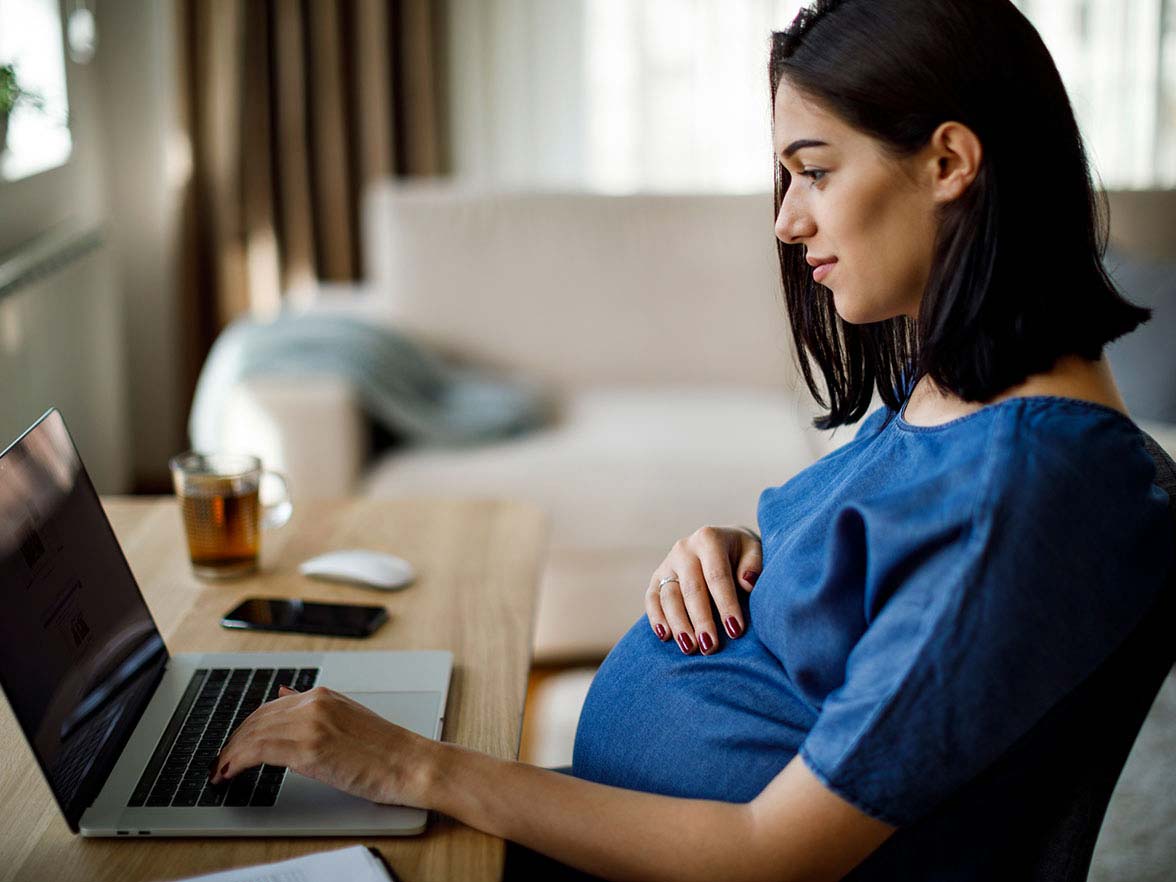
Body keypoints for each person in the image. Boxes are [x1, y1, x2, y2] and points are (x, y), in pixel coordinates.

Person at [210, 1, 1174, 879]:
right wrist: (764, 562)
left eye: (814, 171)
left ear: (948, 163)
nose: (788, 221)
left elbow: (769, 855)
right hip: (636, 837)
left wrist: (418, 766)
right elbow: (896, 591)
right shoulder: (959, 397)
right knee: (256, 823)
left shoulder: (1024, 493)